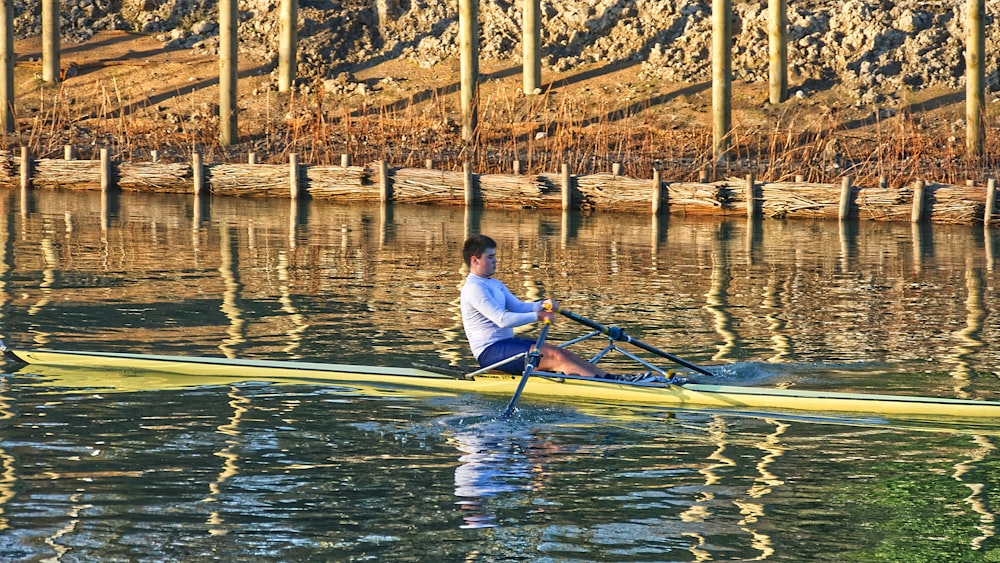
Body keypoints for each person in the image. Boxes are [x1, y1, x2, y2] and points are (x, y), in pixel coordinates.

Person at [460, 234, 656, 382]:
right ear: (475, 260)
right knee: (556, 356)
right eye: (490, 257)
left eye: (495, 256)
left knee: (561, 352)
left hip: (506, 345)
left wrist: (541, 304)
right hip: (490, 353)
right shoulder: (474, 288)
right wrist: (537, 316)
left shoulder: (494, 283)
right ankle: (609, 386)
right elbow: (501, 319)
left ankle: (612, 378)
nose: (496, 261)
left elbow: (519, 306)